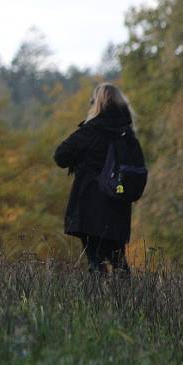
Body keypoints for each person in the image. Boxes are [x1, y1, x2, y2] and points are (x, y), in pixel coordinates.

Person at [54, 83, 144, 274]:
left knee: (95, 262)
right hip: (119, 205)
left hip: (90, 204)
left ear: (97, 105)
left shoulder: (91, 131)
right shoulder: (128, 134)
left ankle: (97, 302)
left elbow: (60, 156)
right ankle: (125, 302)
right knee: (119, 262)